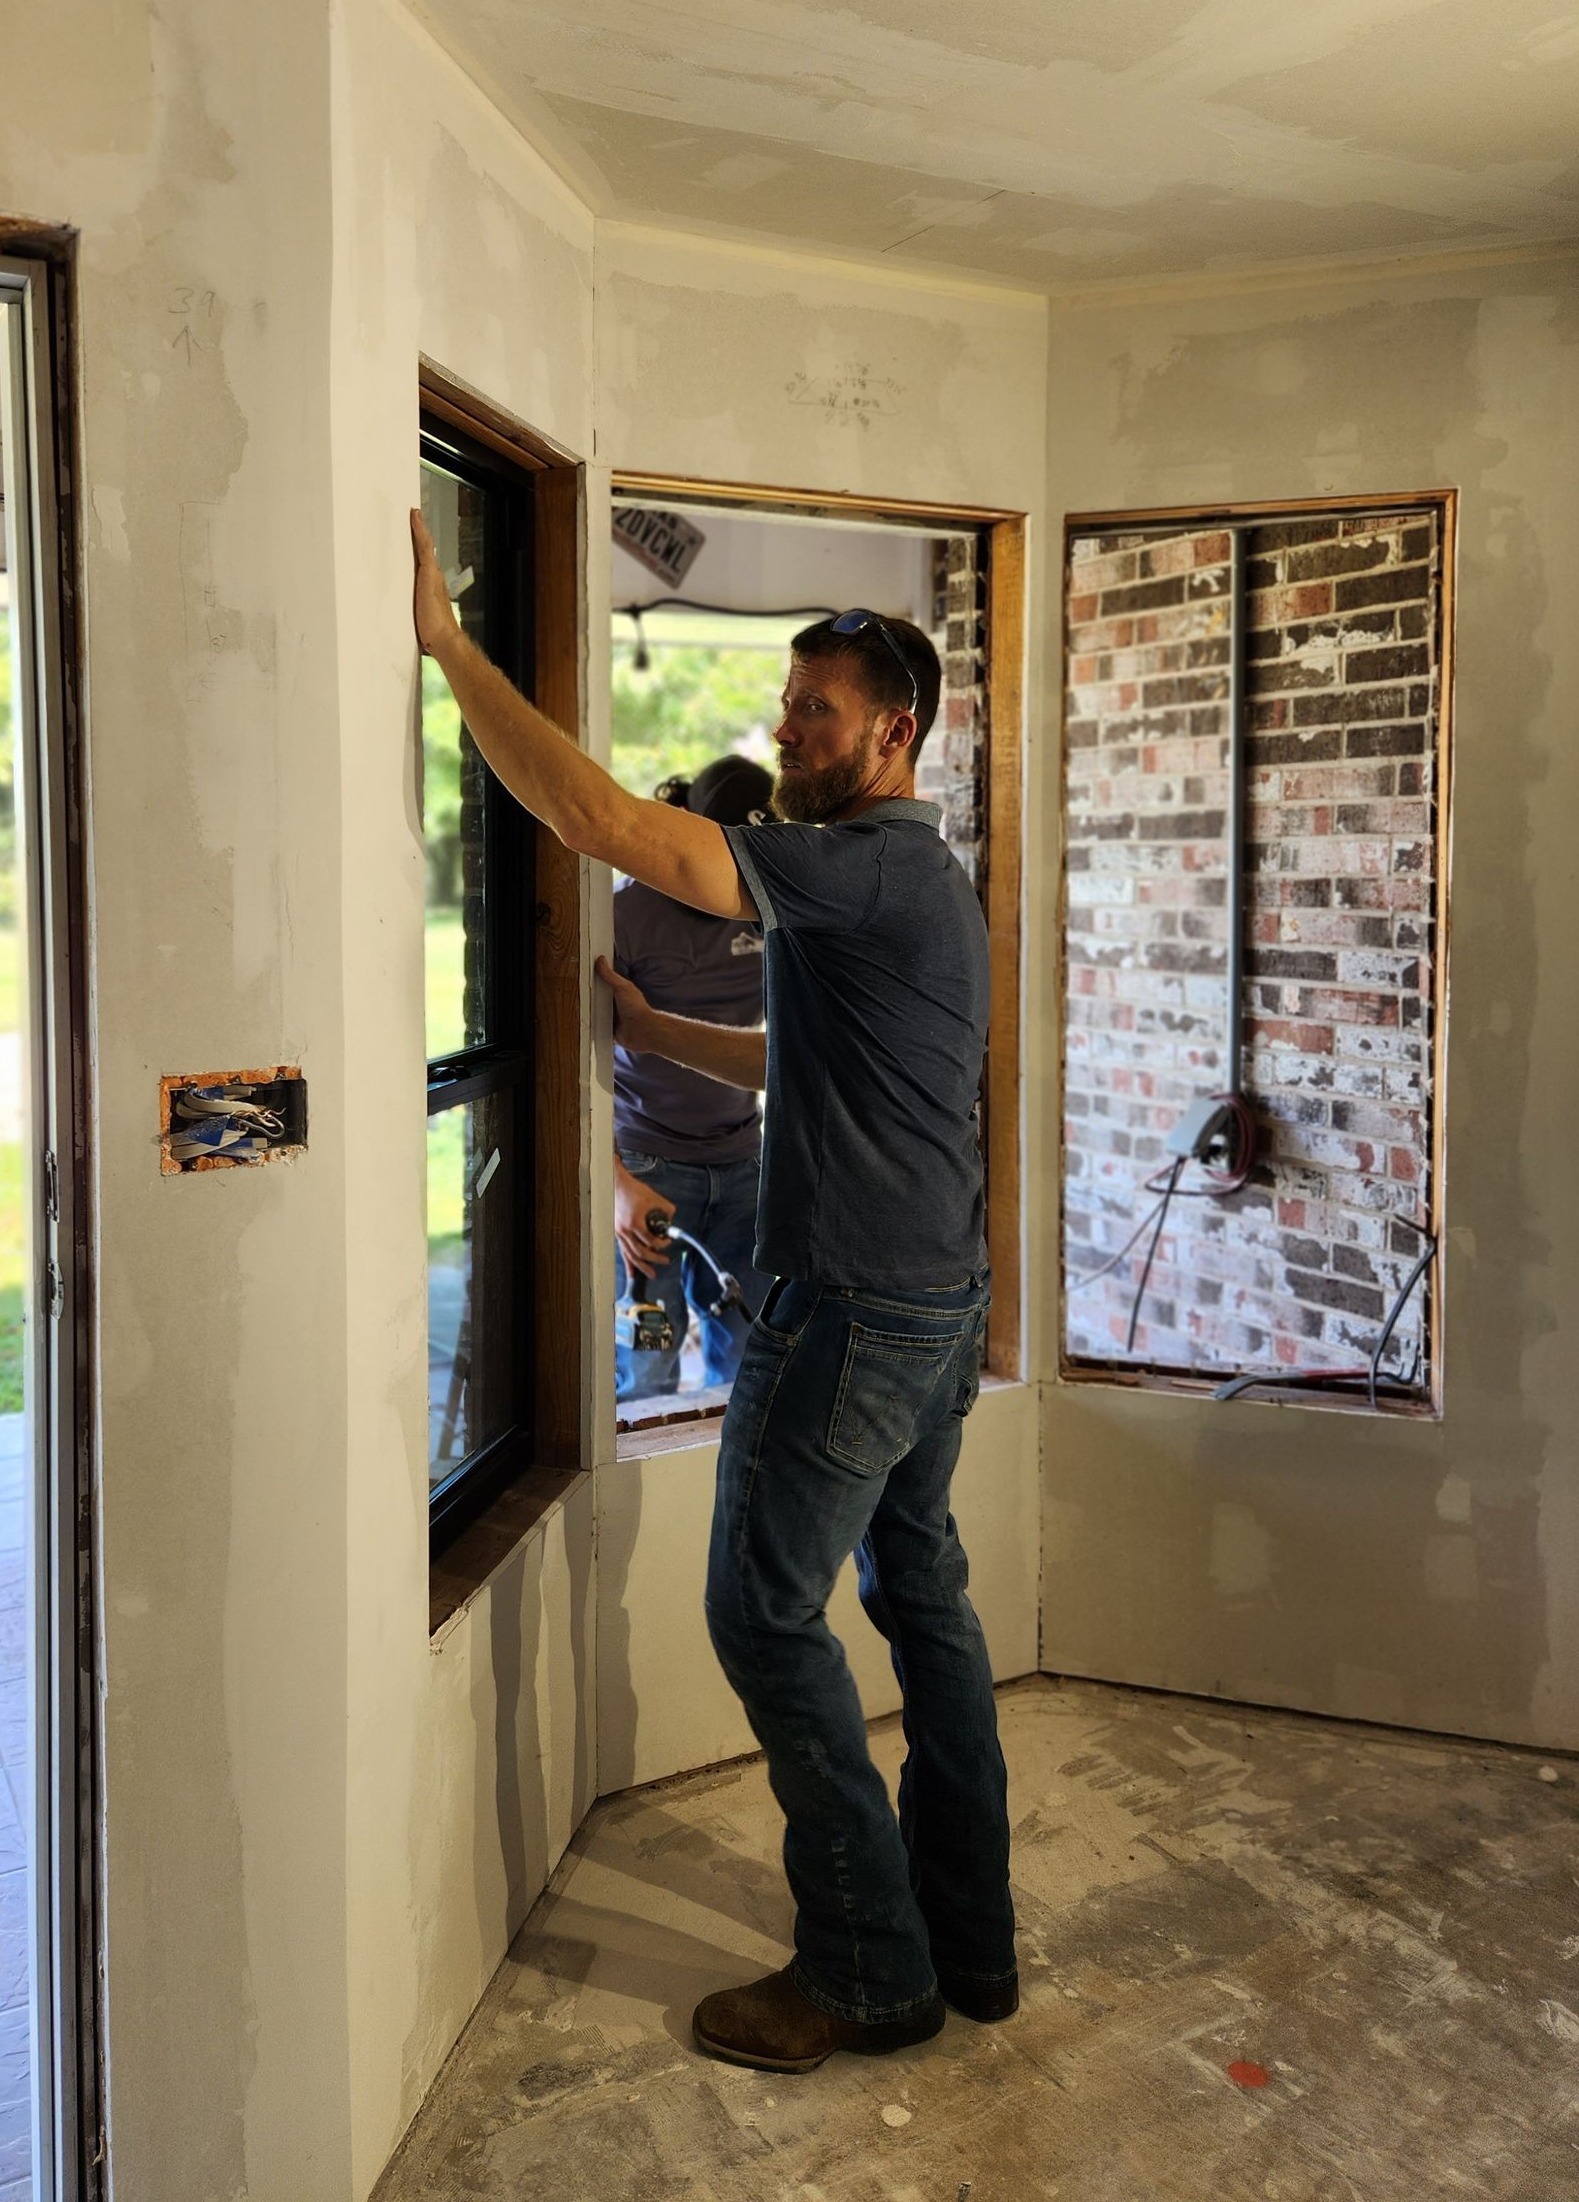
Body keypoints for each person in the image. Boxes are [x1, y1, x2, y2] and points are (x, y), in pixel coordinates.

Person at [410, 515, 1014, 2073]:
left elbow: (606, 822)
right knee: (921, 1596)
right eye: (785, 705)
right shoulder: (914, 883)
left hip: (856, 1308)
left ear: (894, 732)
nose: (785, 732)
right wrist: (646, 1028)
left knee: (760, 1608)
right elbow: (798, 1060)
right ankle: (968, 1938)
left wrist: (450, 651)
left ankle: (870, 1970)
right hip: (934, 1297)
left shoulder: (855, 867)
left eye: (816, 712)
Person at [613, 753, 775, 1405]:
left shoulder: (773, 906)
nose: (742, 870)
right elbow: (568, 1069)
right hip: (648, 1172)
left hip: (743, 1166)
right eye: (729, 850)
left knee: (748, 1367)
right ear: (691, 830)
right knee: (647, 1367)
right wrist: (616, 1186)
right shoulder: (627, 917)